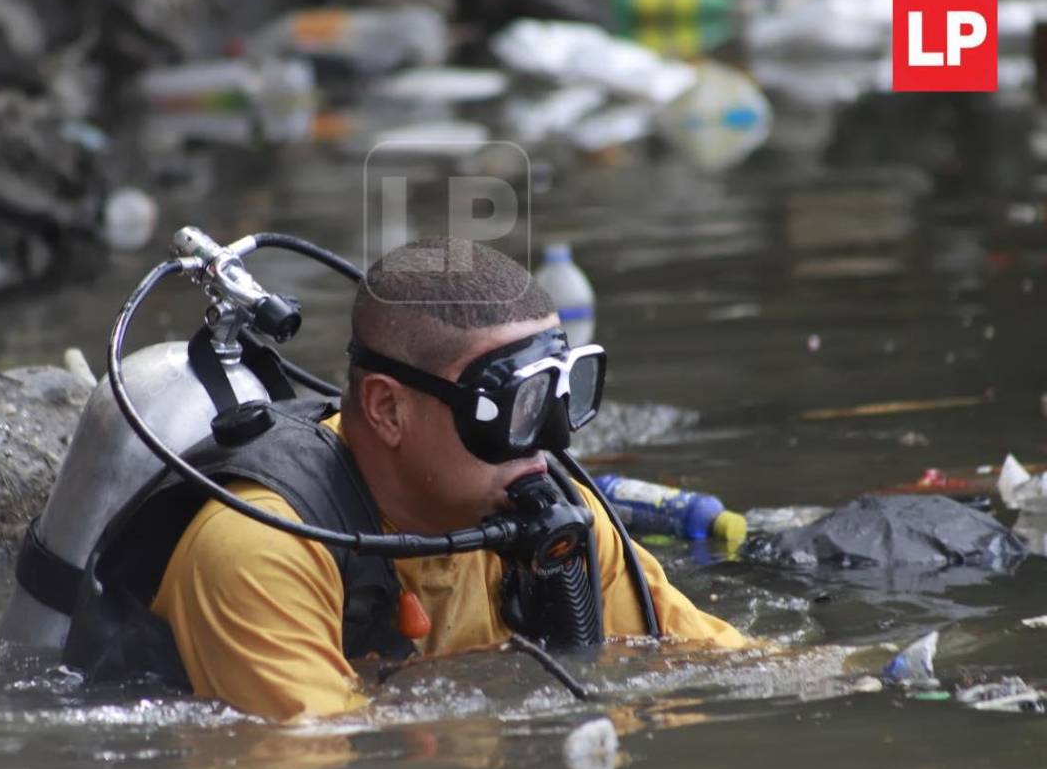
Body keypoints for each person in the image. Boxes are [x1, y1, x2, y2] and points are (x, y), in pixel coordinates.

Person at [150, 238, 745, 721]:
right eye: (517, 404)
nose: (551, 440)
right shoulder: (262, 547)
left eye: (561, 395)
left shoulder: (558, 521)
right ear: (388, 410)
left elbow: (725, 669)